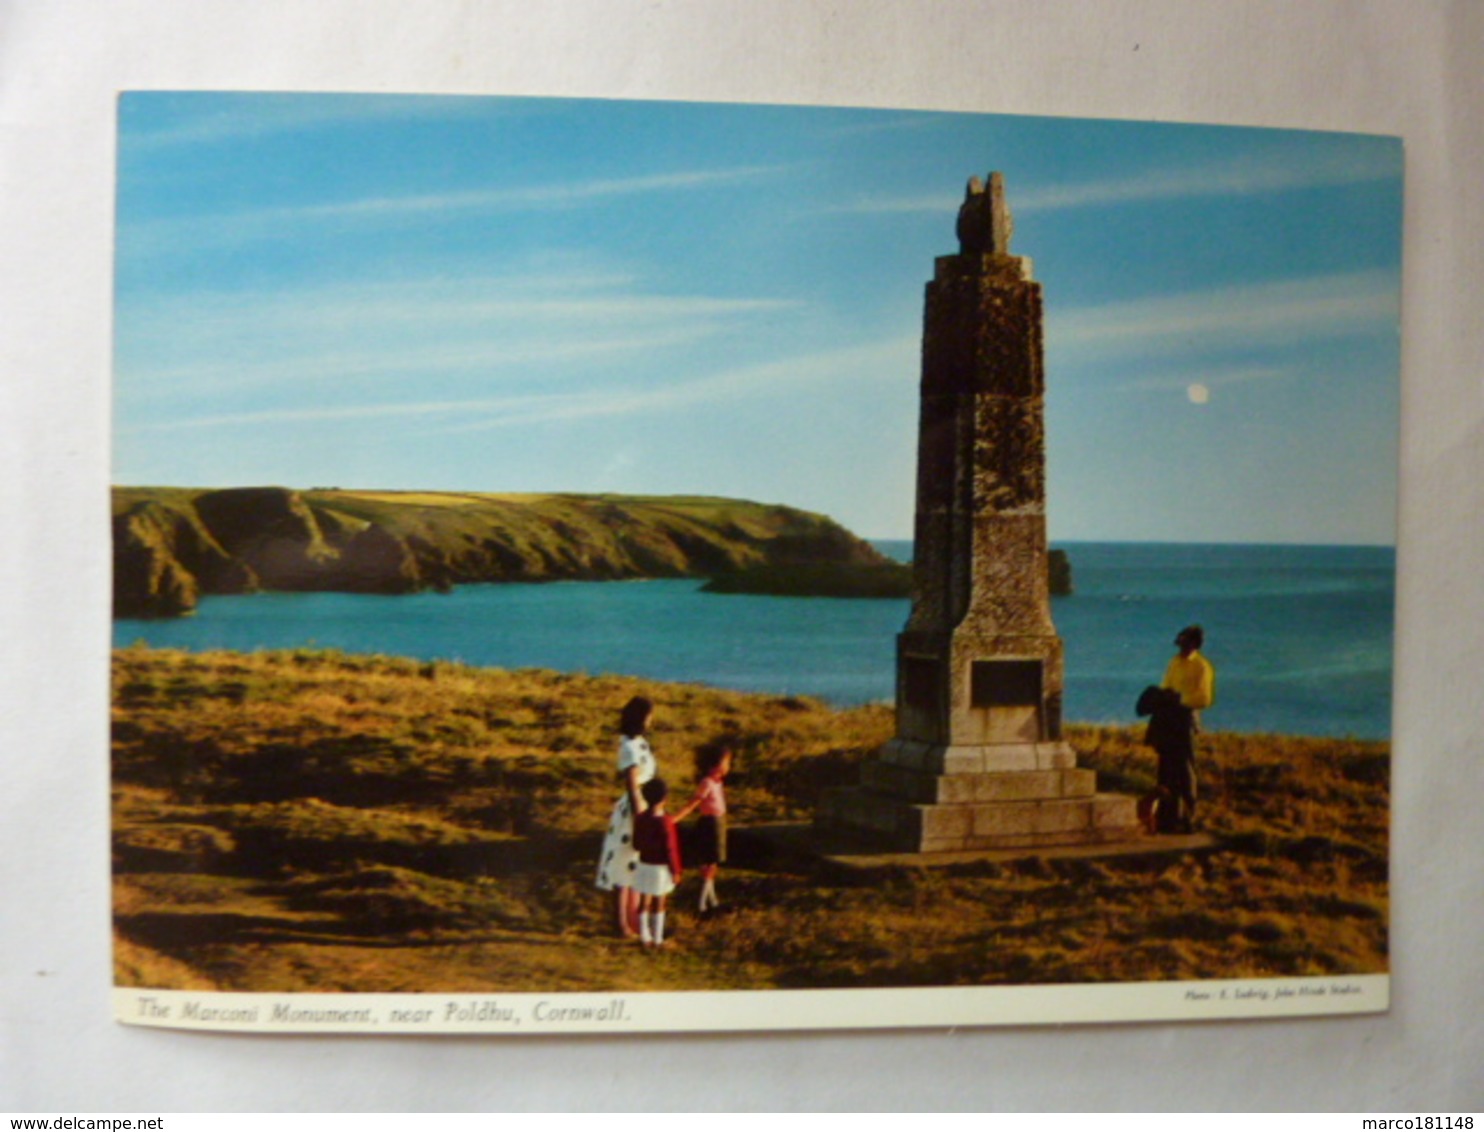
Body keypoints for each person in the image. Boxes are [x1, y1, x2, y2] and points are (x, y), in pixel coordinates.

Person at [595, 695, 657, 937]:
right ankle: (621, 924)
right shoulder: (629, 747)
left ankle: (633, 920)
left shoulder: (639, 743)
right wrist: (639, 813)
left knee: (635, 864)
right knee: (624, 864)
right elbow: (632, 783)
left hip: (644, 803)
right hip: (634, 808)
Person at [1155, 624, 1216, 833]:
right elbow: (1166, 684)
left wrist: (1180, 699)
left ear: (1194, 645)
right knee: (1166, 769)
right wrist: (1163, 697)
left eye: (1185, 644)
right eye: (1180, 644)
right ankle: (1167, 817)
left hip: (1186, 719)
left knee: (1185, 770)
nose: (1181, 648)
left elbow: (1205, 698)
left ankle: (1188, 816)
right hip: (1169, 717)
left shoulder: (1202, 667)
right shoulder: (1174, 662)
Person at [674, 742, 731, 914]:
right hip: (710, 825)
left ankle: (711, 900)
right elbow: (693, 803)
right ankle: (702, 903)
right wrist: (676, 817)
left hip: (718, 824)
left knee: (712, 864)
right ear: (715, 764)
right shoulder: (707, 783)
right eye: (726, 762)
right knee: (709, 865)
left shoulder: (717, 783)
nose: (728, 766)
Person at [632, 777, 682, 948]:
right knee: (659, 902)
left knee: (643, 901)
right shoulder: (665, 822)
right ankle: (658, 937)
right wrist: (675, 870)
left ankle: (644, 935)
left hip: (644, 865)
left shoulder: (640, 819)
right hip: (660, 869)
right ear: (665, 798)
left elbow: (636, 844)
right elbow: (670, 849)